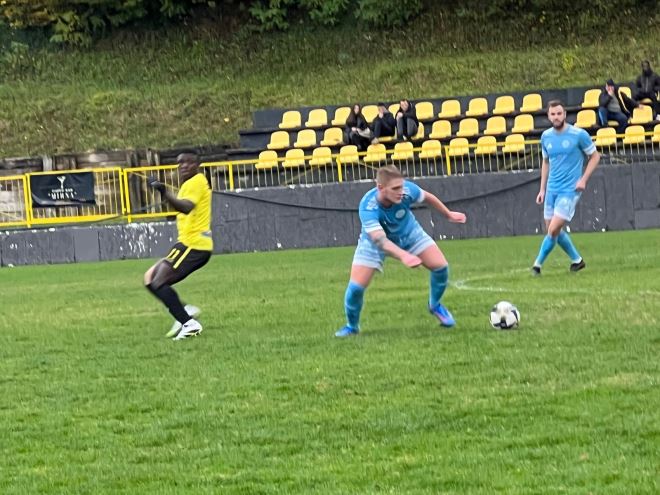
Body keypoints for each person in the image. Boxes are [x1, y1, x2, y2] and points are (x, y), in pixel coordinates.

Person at [335, 165, 467, 337]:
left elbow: (428, 197)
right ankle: (352, 326)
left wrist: (448, 214)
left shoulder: (408, 190)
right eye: (395, 188)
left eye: (402, 186)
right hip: (374, 243)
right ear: (380, 188)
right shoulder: (368, 206)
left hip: (409, 233)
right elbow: (380, 240)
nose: (401, 192)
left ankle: (435, 305)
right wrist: (404, 255)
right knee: (355, 289)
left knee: (441, 267)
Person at [144, 152, 213, 340]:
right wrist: (163, 192)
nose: (184, 165)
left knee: (159, 282)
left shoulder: (197, 181)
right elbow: (179, 208)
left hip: (195, 244)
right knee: (149, 278)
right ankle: (184, 311)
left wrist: (164, 191)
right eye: (180, 162)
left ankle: (189, 324)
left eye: (189, 162)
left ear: (198, 164)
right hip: (185, 243)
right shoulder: (187, 185)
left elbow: (186, 207)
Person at [532, 100, 600, 276]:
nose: (556, 117)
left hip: (570, 190)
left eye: (559, 113)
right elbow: (546, 162)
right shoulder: (546, 136)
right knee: (553, 230)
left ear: (565, 115)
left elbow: (595, 156)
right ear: (548, 116)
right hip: (551, 189)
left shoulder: (578, 134)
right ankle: (577, 261)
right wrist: (542, 189)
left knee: (553, 230)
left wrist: (583, 179)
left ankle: (537, 265)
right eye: (553, 114)